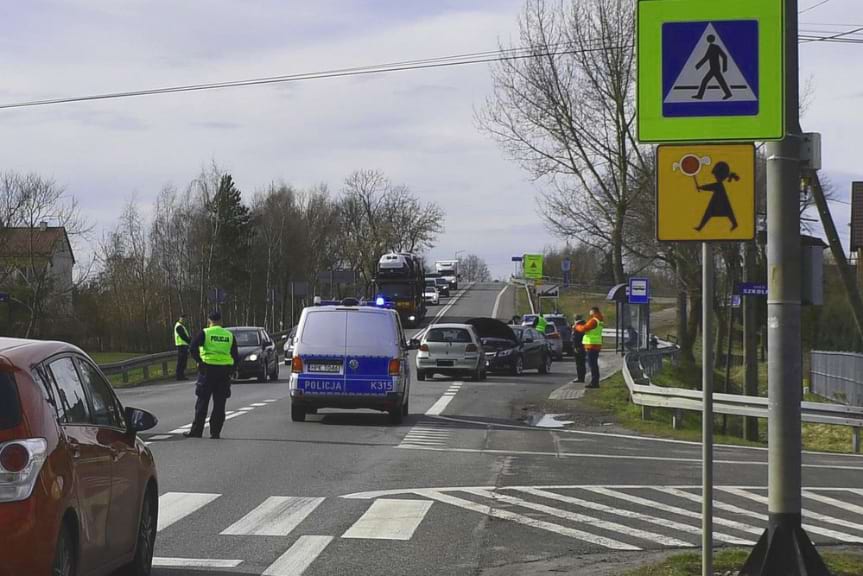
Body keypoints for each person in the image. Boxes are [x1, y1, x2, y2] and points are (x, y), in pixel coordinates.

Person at [184, 311, 239, 439]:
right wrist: (232, 370)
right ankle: (215, 432)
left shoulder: (205, 333)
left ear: (209, 321)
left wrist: (199, 362)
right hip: (224, 372)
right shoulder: (229, 335)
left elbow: (192, 347)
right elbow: (235, 355)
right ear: (221, 321)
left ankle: (197, 431)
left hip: (207, 371)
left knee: (202, 402)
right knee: (220, 403)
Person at [574, 307, 604, 388]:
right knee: (593, 364)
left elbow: (584, 328)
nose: (589, 312)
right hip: (596, 344)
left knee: (592, 365)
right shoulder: (599, 320)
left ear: (593, 311)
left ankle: (594, 382)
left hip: (591, 344)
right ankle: (595, 381)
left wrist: (576, 327)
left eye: (590, 311)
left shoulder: (594, 320)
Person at [174, 314, 191, 380]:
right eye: (183, 319)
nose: (184, 320)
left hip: (183, 345)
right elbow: (183, 336)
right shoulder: (179, 326)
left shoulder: (181, 326)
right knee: (181, 361)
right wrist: (190, 341)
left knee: (183, 361)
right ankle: (179, 376)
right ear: (180, 319)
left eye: (185, 319)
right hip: (181, 346)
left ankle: (181, 375)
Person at [571, 315, 587, 383]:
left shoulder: (577, 326)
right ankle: (582, 377)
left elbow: (575, 338)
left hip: (578, 346)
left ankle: (580, 378)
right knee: (582, 363)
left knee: (579, 363)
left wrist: (575, 347)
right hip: (584, 345)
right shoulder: (585, 325)